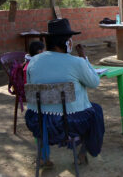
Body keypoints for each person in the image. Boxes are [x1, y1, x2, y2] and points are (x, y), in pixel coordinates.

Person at [25, 18, 104, 167]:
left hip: (38, 122)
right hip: (69, 124)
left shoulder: (33, 61)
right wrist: (84, 58)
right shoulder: (77, 62)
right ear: (66, 42)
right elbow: (94, 82)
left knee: (46, 112)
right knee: (96, 111)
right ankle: (82, 153)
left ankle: (43, 156)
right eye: (70, 39)